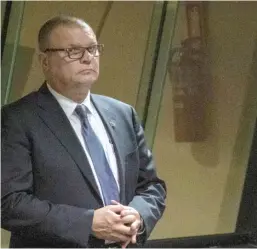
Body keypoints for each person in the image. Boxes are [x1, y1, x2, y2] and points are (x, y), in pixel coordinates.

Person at [1, 15, 167, 247]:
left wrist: (138, 215)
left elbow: (151, 186)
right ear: (45, 61)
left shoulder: (122, 114)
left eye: (92, 49)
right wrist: (87, 223)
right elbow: (9, 203)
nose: (88, 57)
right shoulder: (17, 119)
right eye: (73, 51)